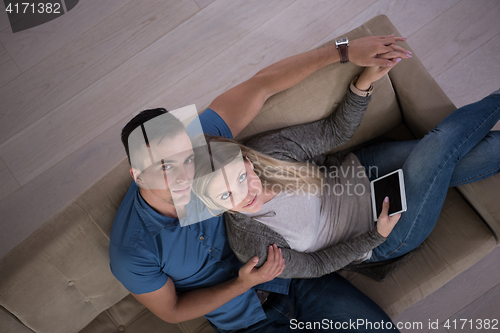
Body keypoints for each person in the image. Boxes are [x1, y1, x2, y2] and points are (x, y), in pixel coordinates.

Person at [109, 34, 411, 332]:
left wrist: (343, 51)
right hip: (248, 322)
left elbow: (262, 85)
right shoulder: (132, 250)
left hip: (294, 275)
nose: (185, 175)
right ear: (138, 175)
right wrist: (242, 283)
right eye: (165, 167)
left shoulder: (201, 148)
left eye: (187, 159)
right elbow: (173, 311)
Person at [191, 76, 500, 280]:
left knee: (466, 151)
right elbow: (315, 266)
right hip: (383, 232)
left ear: (246, 160)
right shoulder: (252, 242)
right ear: (212, 204)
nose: (243, 195)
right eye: (224, 196)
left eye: (242, 178)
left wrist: (362, 84)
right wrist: (376, 236)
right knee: (439, 146)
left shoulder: (267, 152)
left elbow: (333, 132)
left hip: (364, 171)